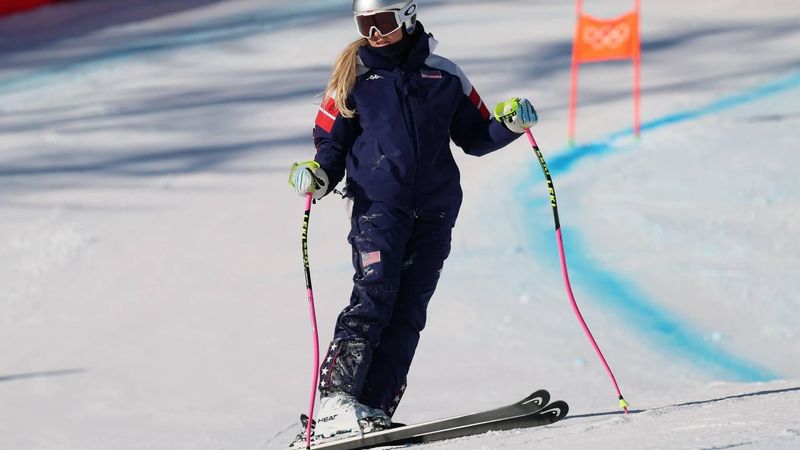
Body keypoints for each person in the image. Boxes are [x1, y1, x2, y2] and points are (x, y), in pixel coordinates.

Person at [288, 0, 537, 443]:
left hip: (436, 209)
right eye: (365, 25)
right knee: (374, 296)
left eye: (382, 22)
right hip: (379, 207)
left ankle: (373, 408)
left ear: (406, 15)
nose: (374, 34)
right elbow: (331, 144)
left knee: (408, 311)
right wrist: (319, 175)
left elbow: (476, 135)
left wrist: (510, 125)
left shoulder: (445, 74)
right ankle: (335, 403)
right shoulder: (353, 78)